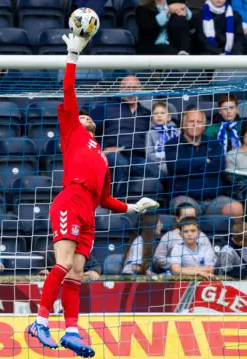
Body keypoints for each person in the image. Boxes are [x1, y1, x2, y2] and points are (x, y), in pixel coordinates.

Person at [28, 33, 159, 358]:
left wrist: (132, 205)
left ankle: (71, 331)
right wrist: (73, 55)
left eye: (89, 117)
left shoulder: (101, 156)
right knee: (62, 264)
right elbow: (69, 91)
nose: (84, 117)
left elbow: (105, 199)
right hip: (70, 201)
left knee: (76, 274)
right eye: (81, 115)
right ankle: (40, 321)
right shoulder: (72, 131)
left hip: (89, 212)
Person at [165, 109, 244, 218]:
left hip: (214, 199)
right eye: (191, 121)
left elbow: (218, 166)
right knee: (187, 212)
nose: (195, 125)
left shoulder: (214, 143)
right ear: (183, 124)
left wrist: (190, 166)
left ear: (204, 125)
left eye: (199, 122)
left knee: (236, 208)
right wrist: (203, 161)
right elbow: (176, 166)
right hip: (185, 197)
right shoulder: (172, 144)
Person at [92, 75, 155, 181]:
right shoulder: (106, 107)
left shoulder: (146, 114)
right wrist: (100, 151)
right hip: (113, 155)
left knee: (158, 173)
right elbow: (88, 133)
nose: (130, 91)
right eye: (127, 88)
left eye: (134, 88)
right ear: (120, 90)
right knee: (120, 163)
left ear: (140, 90)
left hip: (138, 158)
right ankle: (116, 198)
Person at [153, 200, 211, 272]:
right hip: (175, 275)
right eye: (185, 217)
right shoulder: (169, 236)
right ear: (177, 219)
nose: (189, 220)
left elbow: (211, 259)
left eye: (192, 217)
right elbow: (158, 258)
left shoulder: (202, 236)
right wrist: (179, 263)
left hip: (201, 274)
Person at [145, 101, 179, 176]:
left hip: (177, 161)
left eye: (162, 113)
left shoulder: (177, 132)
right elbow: (149, 154)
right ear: (152, 118)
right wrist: (165, 159)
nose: (159, 116)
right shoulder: (150, 133)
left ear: (169, 117)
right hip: (159, 164)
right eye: (156, 113)